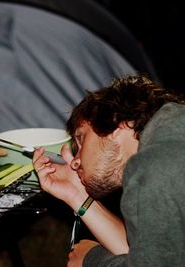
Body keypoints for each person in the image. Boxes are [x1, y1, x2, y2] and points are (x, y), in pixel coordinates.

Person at [33, 75, 185, 266]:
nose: (75, 162)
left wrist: (90, 260)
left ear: (115, 123)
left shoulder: (152, 166)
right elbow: (151, 253)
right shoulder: (172, 142)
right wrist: (76, 195)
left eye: (80, 140)